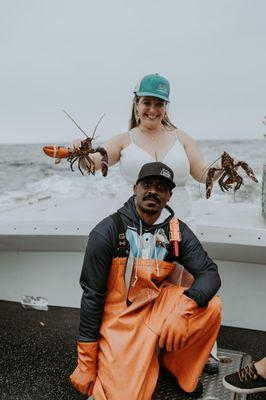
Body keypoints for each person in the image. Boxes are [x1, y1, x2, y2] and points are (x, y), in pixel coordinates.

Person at [71, 72, 222, 369]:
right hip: (130, 226)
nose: (152, 109)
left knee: (187, 281)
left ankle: (194, 347)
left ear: (166, 106)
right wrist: (79, 150)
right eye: (146, 102)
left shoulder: (183, 138)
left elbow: (202, 172)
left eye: (159, 103)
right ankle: (127, 341)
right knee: (130, 288)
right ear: (136, 103)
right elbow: (97, 161)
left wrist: (218, 173)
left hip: (177, 223)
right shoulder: (122, 140)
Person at [70, 161, 222, 399]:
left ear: (169, 195)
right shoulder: (107, 231)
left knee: (211, 307)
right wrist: (86, 363)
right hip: (120, 320)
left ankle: (176, 367)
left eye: (161, 187)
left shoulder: (175, 231)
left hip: (157, 306)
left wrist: (184, 309)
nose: (153, 190)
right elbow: (92, 296)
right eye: (147, 184)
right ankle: (126, 362)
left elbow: (209, 273)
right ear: (135, 188)